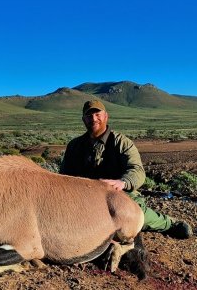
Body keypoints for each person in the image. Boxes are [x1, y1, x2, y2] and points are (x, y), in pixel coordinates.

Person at [60, 100, 193, 239]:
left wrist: (122, 182)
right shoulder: (74, 146)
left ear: (106, 116)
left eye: (97, 114)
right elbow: (63, 177)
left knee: (133, 215)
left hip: (120, 195)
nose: (93, 119)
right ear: (83, 120)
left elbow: (137, 171)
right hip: (87, 198)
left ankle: (170, 223)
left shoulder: (122, 142)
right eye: (89, 116)